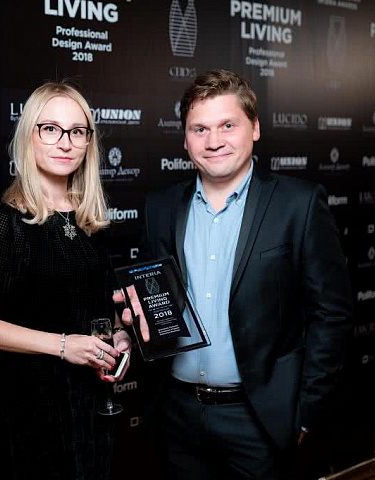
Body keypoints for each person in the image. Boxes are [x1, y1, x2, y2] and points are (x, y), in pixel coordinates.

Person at [116, 69, 354, 479]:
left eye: (228, 125)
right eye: (200, 129)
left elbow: (331, 314)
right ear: (185, 139)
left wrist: (305, 412)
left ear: (255, 128)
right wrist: (133, 324)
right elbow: (156, 304)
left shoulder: (298, 204)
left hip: (260, 419)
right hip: (176, 414)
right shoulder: (161, 206)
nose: (213, 141)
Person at [0, 81, 131, 480]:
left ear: (88, 142)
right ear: (29, 136)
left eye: (77, 131)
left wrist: (120, 338)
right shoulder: (7, 222)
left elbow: (99, 306)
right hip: (35, 412)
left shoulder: (89, 221)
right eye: (51, 128)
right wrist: (64, 346)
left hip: (91, 408)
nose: (65, 142)